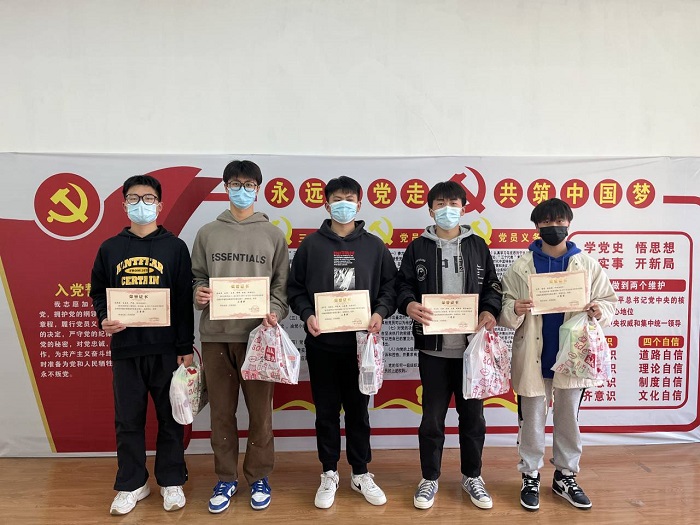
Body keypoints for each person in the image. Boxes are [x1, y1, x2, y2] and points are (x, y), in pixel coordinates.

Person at [499, 197, 617, 511]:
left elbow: (609, 301)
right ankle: (530, 475)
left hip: (572, 357)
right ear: (537, 226)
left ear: (569, 224)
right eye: (547, 222)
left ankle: (565, 476)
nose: (554, 227)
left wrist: (599, 310)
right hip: (533, 355)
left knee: (568, 421)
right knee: (531, 422)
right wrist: (514, 309)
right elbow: (503, 307)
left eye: (559, 222)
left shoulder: (586, 264)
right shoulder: (521, 266)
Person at [287, 176, 397, 509]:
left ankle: (360, 472)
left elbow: (390, 287)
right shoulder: (311, 245)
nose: (343, 204)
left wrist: (379, 312)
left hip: (361, 347)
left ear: (360, 204)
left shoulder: (374, 246)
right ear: (326, 204)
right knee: (325, 412)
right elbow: (295, 289)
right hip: (322, 344)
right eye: (337, 199)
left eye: (350, 198)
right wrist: (307, 313)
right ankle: (329, 471)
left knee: (359, 412)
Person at [90, 175, 194, 516]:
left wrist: (185, 346)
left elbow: (183, 300)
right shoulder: (110, 248)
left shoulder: (175, 247)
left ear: (159, 205)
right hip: (126, 348)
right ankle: (132, 483)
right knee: (128, 420)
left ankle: (171, 480)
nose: (141, 205)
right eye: (134, 198)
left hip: (166, 349)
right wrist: (104, 317)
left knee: (171, 418)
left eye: (148, 199)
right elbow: (98, 292)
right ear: (124, 205)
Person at [396, 180, 502, 511]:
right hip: (433, 351)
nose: (447, 210)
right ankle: (429, 477)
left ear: (464, 208)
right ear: (430, 210)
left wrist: (490, 310)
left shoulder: (477, 245)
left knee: (473, 419)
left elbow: (493, 286)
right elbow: (403, 285)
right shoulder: (417, 248)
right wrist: (409, 304)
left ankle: (472, 476)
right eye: (440, 204)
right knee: (432, 419)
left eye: (453, 204)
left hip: (471, 352)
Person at [191, 160, 289, 513]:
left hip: (258, 338)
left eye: (249, 184)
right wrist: (199, 293)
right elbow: (197, 277)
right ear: (225, 187)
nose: (242, 190)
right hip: (216, 336)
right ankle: (225, 477)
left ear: (258, 189)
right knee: (221, 413)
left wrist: (274, 312)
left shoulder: (273, 235)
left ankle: (259, 476)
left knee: (261, 414)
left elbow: (281, 287)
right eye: (235, 183)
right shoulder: (207, 233)